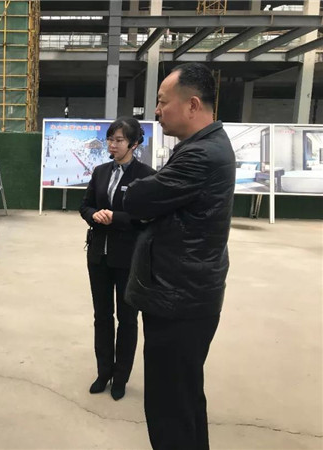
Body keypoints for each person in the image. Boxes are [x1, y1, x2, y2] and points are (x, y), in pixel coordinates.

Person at [122, 63, 235, 449]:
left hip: (179, 300)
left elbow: (137, 199)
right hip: (186, 293)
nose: (156, 111)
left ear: (192, 105)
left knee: (169, 408)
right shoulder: (203, 147)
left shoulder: (202, 155)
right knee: (184, 400)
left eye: (162, 102)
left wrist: (141, 194)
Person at [79, 117, 156, 400]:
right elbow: (85, 205)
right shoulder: (100, 172)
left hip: (128, 258)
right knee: (102, 316)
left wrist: (117, 218)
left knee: (127, 318)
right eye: (110, 139)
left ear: (134, 144)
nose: (112, 145)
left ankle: (121, 377)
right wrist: (94, 215)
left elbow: (148, 215)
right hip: (98, 255)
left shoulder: (146, 175)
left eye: (119, 140)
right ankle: (103, 372)